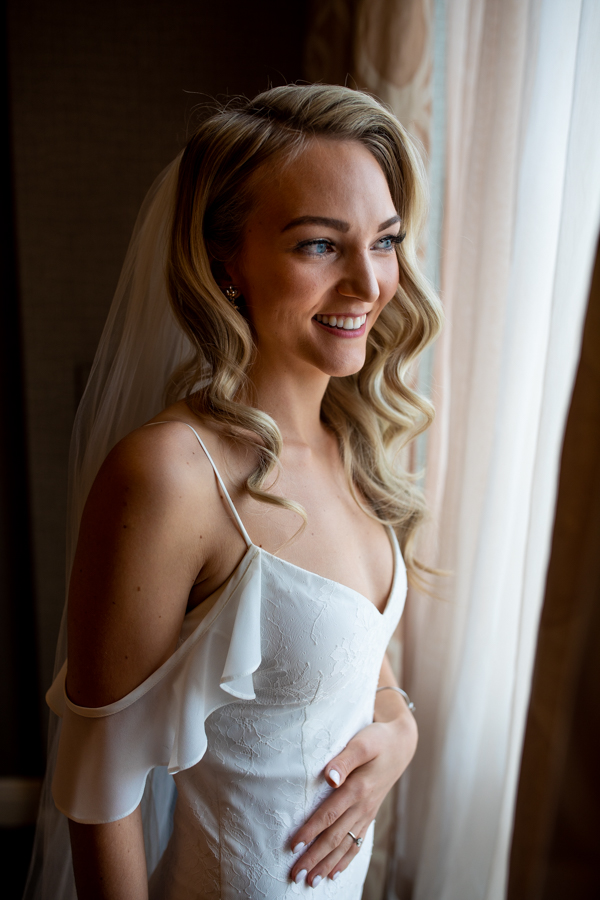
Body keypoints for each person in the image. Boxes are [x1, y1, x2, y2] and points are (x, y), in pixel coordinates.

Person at [24, 83, 442, 900]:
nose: (368, 283)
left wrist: (402, 732)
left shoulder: (352, 443)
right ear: (227, 260)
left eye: (384, 241)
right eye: (320, 246)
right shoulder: (172, 476)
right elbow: (101, 792)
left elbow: (345, 663)